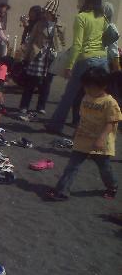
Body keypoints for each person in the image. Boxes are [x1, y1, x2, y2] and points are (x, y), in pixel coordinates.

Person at [46, 67, 121, 201]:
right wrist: (76, 132)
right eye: (85, 86)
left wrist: (101, 138)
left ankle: (112, 185)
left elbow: (112, 122)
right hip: (83, 139)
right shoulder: (86, 97)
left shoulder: (110, 102)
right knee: (72, 166)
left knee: (105, 168)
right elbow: (83, 117)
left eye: (90, 87)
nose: (87, 90)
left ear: (103, 86)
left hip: (100, 143)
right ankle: (62, 191)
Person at [46, 0, 109, 134]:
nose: (79, 0)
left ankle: (56, 125)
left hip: (86, 60)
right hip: (102, 59)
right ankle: (92, 129)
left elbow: (78, 45)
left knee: (70, 94)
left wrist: (69, 65)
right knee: (96, 97)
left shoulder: (81, 17)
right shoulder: (103, 17)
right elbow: (108, 38)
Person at [19, 0, 65, 116]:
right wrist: (26, 55)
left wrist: (59, 52)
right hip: (38, 54)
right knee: (31, 82)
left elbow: (62, 41)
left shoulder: (60, 25)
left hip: (51, 56)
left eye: (48, 12)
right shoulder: (39, 23)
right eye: (45, 11)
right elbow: (31, 40)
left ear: (53, 13)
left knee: (46, 83)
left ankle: (41, 106)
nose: (45, 14)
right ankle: (24, 106)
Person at [103, 1, 120, 73]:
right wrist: (118, 71)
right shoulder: (112, 28)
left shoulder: (97, 26)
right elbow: (114, 52)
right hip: (103, 65)